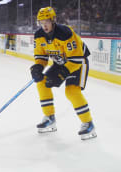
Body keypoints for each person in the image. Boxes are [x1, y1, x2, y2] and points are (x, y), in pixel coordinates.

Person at [30, 7, 97, 140]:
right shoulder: (39, 35)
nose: (44, 25)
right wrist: (38, 67)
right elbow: (41, 56)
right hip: (61, 63)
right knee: (42, 82)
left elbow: (76, 59)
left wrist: (62, 73)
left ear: (53, 20)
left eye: (47, 21)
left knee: (71, 91)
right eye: (41, 22)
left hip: (78, 62)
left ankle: (88, 123)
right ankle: (50, 118)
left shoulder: (65, 33)